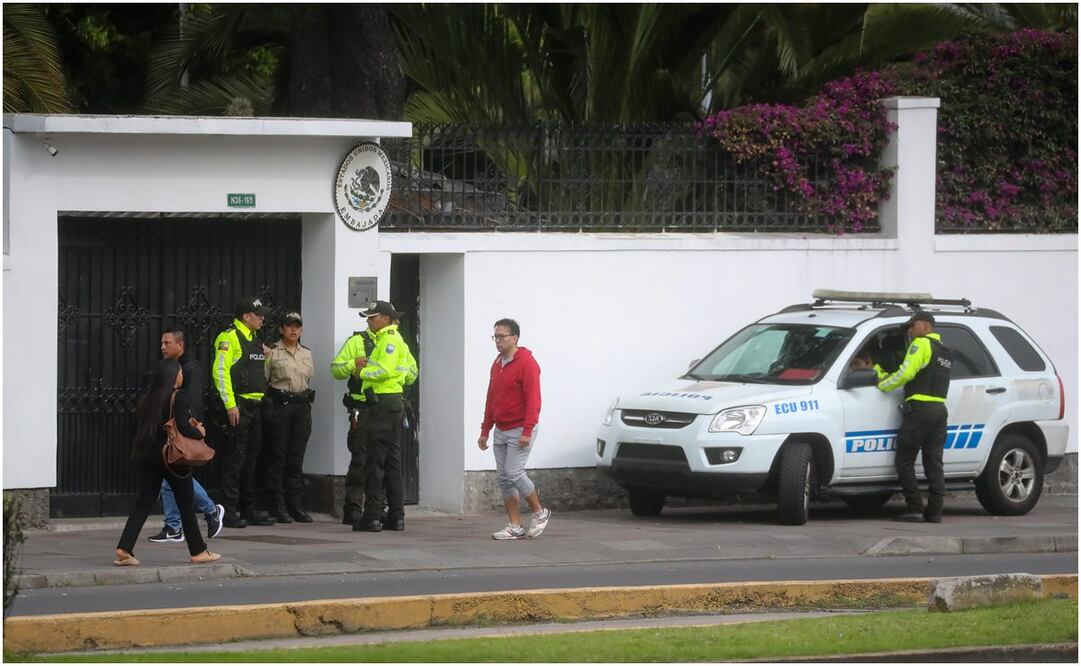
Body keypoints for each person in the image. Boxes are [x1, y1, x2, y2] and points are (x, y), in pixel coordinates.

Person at [114, 358, 222, 566]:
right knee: (186, 502)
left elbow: (135, 427)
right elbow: (182, 426)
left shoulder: (148, 397)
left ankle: (124, 548)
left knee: (143, 502)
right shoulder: (178, 396)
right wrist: (199, 432)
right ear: (173, 376)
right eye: (180, 371)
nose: (182, 375)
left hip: (150, 457)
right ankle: (198, 551)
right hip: (172, 459)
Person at [148, 327, 225, 543]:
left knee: (175, 477)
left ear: (180, 345)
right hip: (170, 432)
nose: (162, 347)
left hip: (181, 432)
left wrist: (194, 431)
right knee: (171, 478)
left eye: (167, 343)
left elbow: (191, 403)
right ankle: (175, 526)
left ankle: (207, 511)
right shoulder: (169, 367)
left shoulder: (190, 369)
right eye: (162, 343)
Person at [876, 310, 953, 523]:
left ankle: (915, 508)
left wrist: (884, 383)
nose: (910, 330)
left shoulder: (921, 344)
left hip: (920, 409)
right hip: (939, 410)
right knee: (934, 462)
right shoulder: (945, 351)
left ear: (925, 326)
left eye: (912, 325)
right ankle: (935, 511)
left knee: (904, 460)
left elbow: (907, 373)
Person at [477, 318, 550, 540]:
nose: (498, 341)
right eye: (495, 336)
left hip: (520, 428)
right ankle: (515, 525)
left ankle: (540, 512)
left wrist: (527, 430)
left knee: (513, 472)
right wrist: (485, 430)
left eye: (502, 336)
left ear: (515, 338)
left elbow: (533, 400)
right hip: (501, 428)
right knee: (504, 477)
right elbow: (491, 398)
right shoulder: (497, 364)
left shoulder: (527, 363)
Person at [212, 296, 275, 528]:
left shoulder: (254, 339)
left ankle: (248, 507)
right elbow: (220, 371)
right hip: (238, 407)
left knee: (251, 459)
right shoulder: (229, 337)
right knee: (234, 460)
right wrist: (230, 405)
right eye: (259, 315)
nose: (262, 319)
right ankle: (228, 511)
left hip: (255, 408)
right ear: (246, 316)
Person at [353, 301, 416, 533]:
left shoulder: (388, 340)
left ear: (386, 318)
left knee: (375, 462)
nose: (369, 321)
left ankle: (372, 516)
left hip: (383, 405)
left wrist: (362, 372)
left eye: (373, 317)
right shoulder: (396, 340)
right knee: (391, 462)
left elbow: (385, 370)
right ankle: (396, 516)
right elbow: (410, 371)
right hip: (392, 403)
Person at [262, 312, 315, 523]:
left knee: (296, 457)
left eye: (297, 326)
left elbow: (308, 379)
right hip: (280, 407)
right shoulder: (272, 352)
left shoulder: (306, 353)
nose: (293, 330)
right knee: (278, 457)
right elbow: (264, 380)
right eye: (289, 326)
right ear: (281, 329)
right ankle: (277, 505)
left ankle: (296, 505)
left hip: (301, 407)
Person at [330, 321, 378, 526]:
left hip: (385, 408)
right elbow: (336, 369)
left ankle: (377, 508)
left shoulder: (392, 342)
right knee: (360, 459)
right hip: (362, 408)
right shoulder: (357, 341)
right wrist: (353, 364)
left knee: (382, 460)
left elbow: (410, 372)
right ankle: (353, 509)